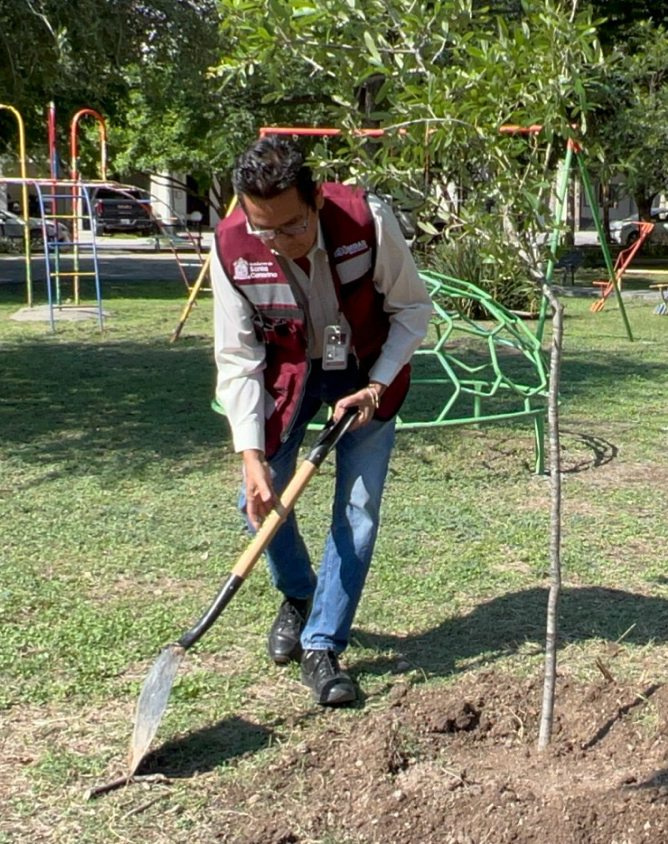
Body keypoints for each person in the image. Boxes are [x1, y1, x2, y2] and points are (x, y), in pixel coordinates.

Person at [211, 135, 432, 705]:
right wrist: (252, 458)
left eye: (291, 227)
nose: (278, 243)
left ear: (314, 200)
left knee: (356, 509)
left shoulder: (367, 219)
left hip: (367, 366)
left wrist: (375, 386)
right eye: (265, 229)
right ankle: (300, 593)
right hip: (290, 374)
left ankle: (322, 643)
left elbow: (412, 311)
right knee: (255, 500)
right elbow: (238, 356)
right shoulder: (232, 246)